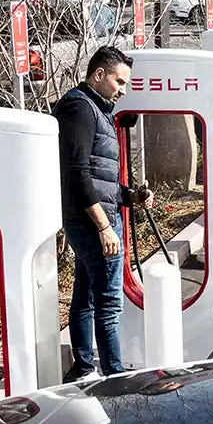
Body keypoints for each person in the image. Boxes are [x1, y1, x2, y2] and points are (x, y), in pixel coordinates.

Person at [56, 45, 154, 383]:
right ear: (99, 74)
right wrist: (103, 226)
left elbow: (100, 177)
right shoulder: (79, 108)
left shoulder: (95, 109)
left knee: (85, 297)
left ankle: (84, 367)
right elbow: (76, 172)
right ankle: (114, 377)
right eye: (119, 81)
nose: (123, 90)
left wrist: (131, 196)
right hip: (92, 221)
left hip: (96, 216)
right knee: (110, 305)